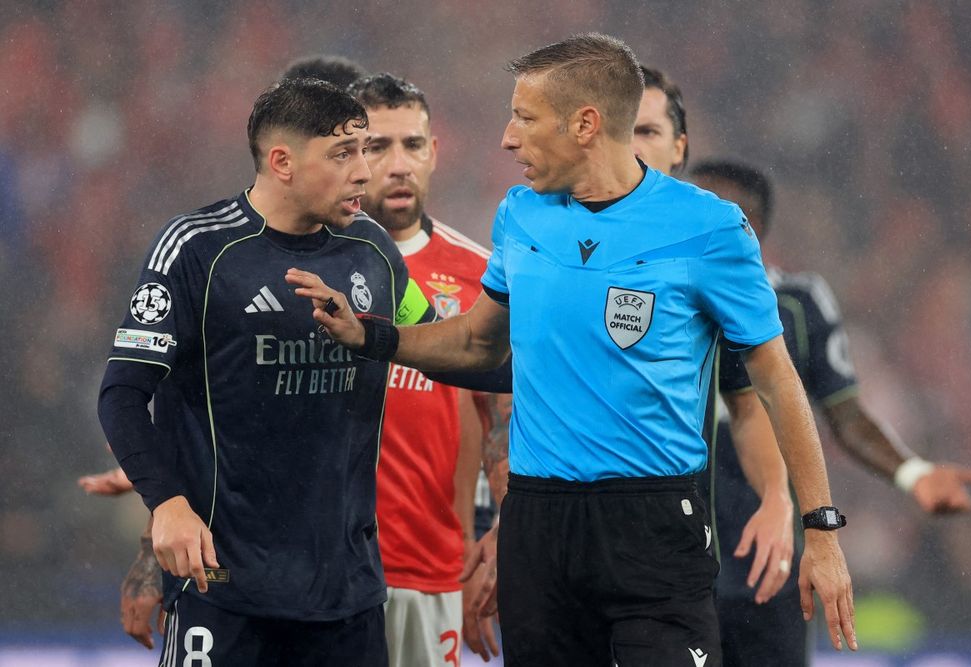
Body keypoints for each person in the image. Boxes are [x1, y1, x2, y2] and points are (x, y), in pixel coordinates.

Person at [286, 33, 857, 667]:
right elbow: (477, 341)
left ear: (585, 124)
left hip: (654, 521)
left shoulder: (709, 228)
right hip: (540, 521)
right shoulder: (522, 215)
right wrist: (372, 337)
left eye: (525, 118)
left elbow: (776, 381)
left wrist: (820, 526)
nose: (507, 137)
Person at [97, 77, 438, 666]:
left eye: (365, 150)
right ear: (281, 161)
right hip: (223, 590)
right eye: (343, 153)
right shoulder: (196, 249)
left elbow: (435, 343)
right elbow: (123, 395)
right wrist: (167, 505)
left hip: (347, 592)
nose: (365, 171)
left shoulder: (374, 250)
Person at [687, 159, 971, 666]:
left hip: (774, 560)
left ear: (747, 227)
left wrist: (911, 473)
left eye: (702, 208)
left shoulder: (798, 304)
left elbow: (845, 416)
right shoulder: (653, 298)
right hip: (673, 557)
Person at [346, 72, 500, 666]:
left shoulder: (483, 275)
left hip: (433, 571)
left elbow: (507, 421)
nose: (398, 163)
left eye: (412, 145)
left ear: (434, 153)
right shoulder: (308, 263)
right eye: (378, 146)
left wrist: (494, 540)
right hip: (323, 571)